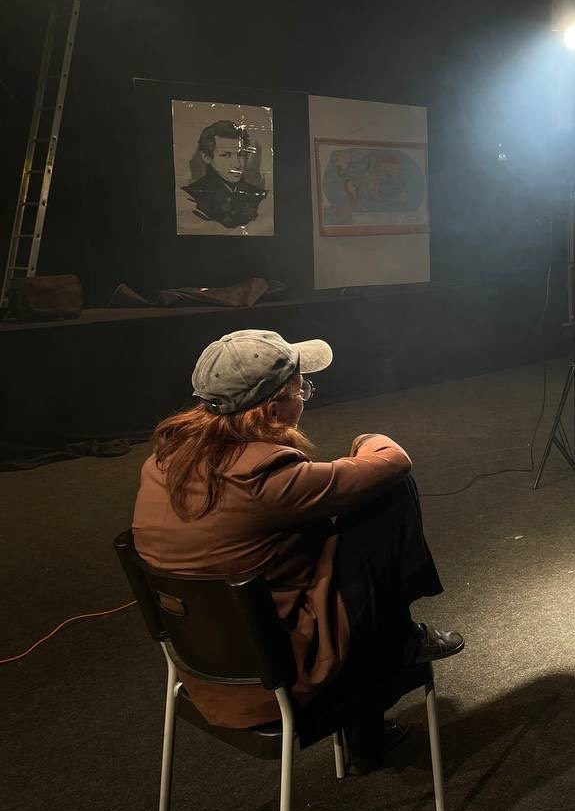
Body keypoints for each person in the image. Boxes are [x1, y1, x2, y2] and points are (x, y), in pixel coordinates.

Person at [132, 329, 462, 770]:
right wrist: (367, 438)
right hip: (278, 676)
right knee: (383, 497)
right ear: (274, 409)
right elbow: (393, 460)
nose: (305, 397)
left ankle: (373, 718)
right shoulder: (266, 475)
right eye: (301, 388)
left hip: (203, 670)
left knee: (325, 534)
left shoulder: (161, 463)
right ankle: (402, 640)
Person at [182, 120, 269, 228]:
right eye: (226, 155)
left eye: (241, 154)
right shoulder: (190, 197)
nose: (237, 164)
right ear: (206, 157)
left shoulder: (261, 197)